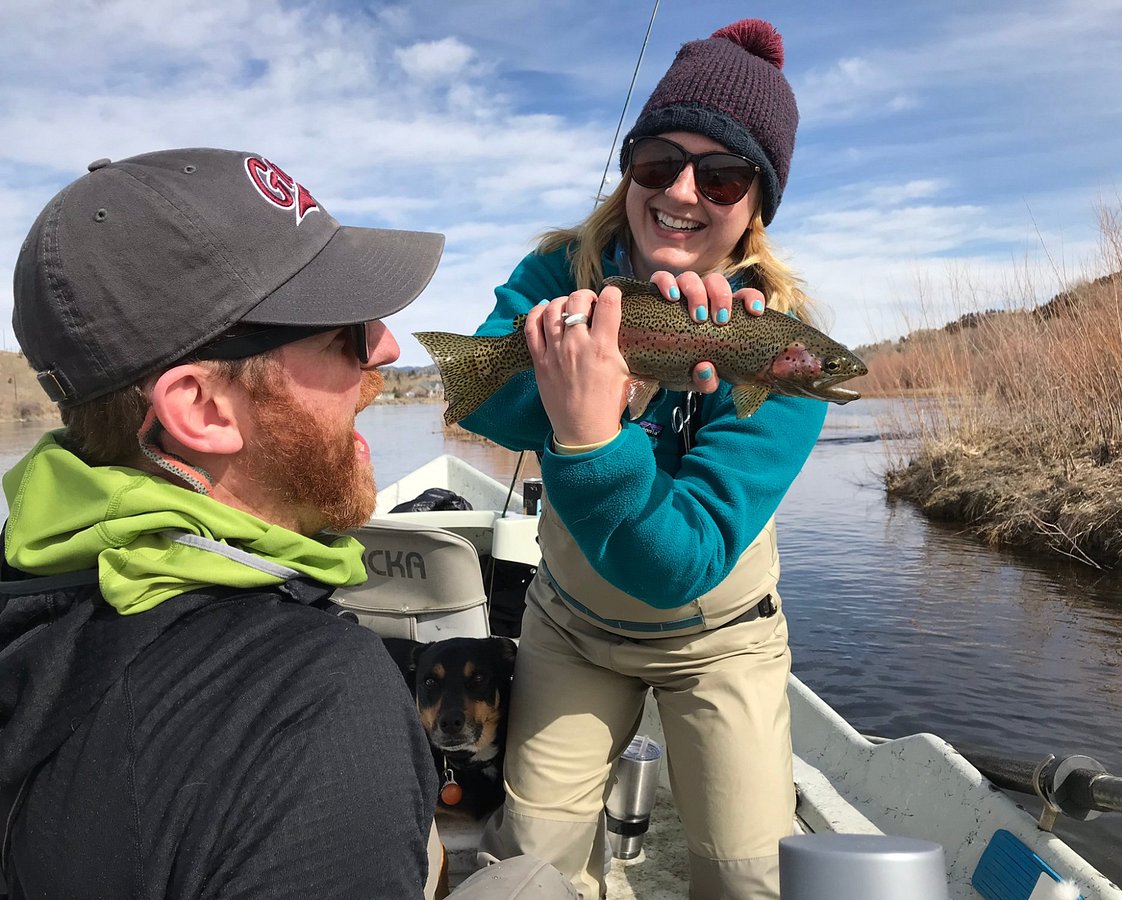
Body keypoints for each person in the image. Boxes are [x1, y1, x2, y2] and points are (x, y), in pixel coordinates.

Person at [0, 149, 572, 900]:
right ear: (202, 409)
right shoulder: (323, 702)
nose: (387, 347)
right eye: (343, 335)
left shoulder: (28, 594)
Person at [466, 19, 827, 900]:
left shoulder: (785, 353)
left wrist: (591, 436)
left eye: (724, 174)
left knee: (750, 878)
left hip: (722, 641)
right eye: (659, 163)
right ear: (630, 169)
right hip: (569, 624)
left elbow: (681, 564)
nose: (683, 191)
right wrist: (603, 388)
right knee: (527, 867)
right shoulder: (559, 270)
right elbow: (476, 387)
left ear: (757, 204)